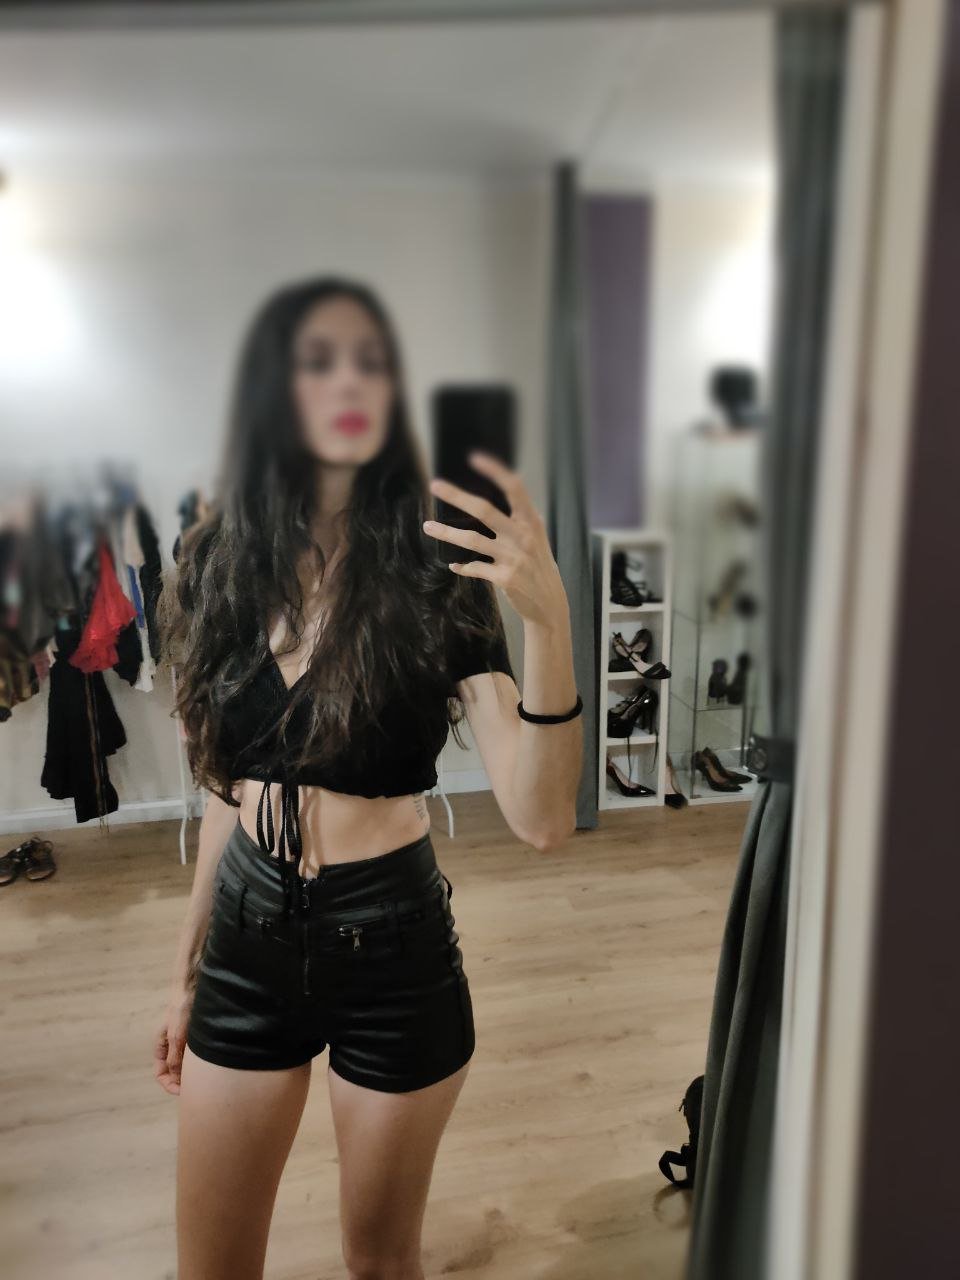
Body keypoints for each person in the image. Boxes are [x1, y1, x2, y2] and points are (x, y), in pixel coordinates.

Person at [152, 275, 583, 1280]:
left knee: (381, 1262)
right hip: (247, 940)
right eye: (317, 359)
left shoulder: (440, 569)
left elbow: (541, 817)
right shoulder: (218, 559)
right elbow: (227, 789)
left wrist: (551, 621)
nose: (348, 380)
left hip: (393, 948)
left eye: (370, 360)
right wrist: (183, 971)